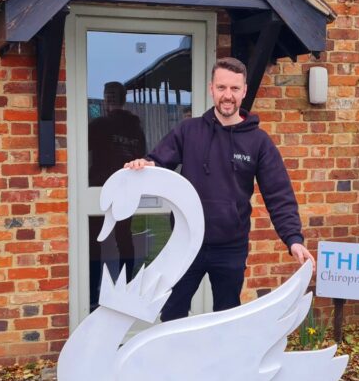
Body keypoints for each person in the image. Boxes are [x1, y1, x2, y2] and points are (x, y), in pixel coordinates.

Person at [125, 57, 313, 321]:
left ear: (244, 91)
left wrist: (293, 239)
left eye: (234, 89)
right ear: (211, 88)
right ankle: (176, 363)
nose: (228, 96)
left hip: (231, 246)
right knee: (172, 313)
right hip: (186, 242)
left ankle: (221, 364)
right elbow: (158, 162)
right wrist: (144, 165)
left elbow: (279, 194)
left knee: (226, 319)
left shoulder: (258, 142)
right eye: (222, 88)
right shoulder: (188, 131)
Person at [88, 81, 146, 309]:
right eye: (107, 94)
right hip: (102, 191)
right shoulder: (135, 128)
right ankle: (116, 288)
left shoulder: (103, 125)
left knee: (103, 240)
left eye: (111, 95)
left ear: (117, 99)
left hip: (113, 188)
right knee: (114, 239)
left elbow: (141, 158)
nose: (108, 99)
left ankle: (99, 291)